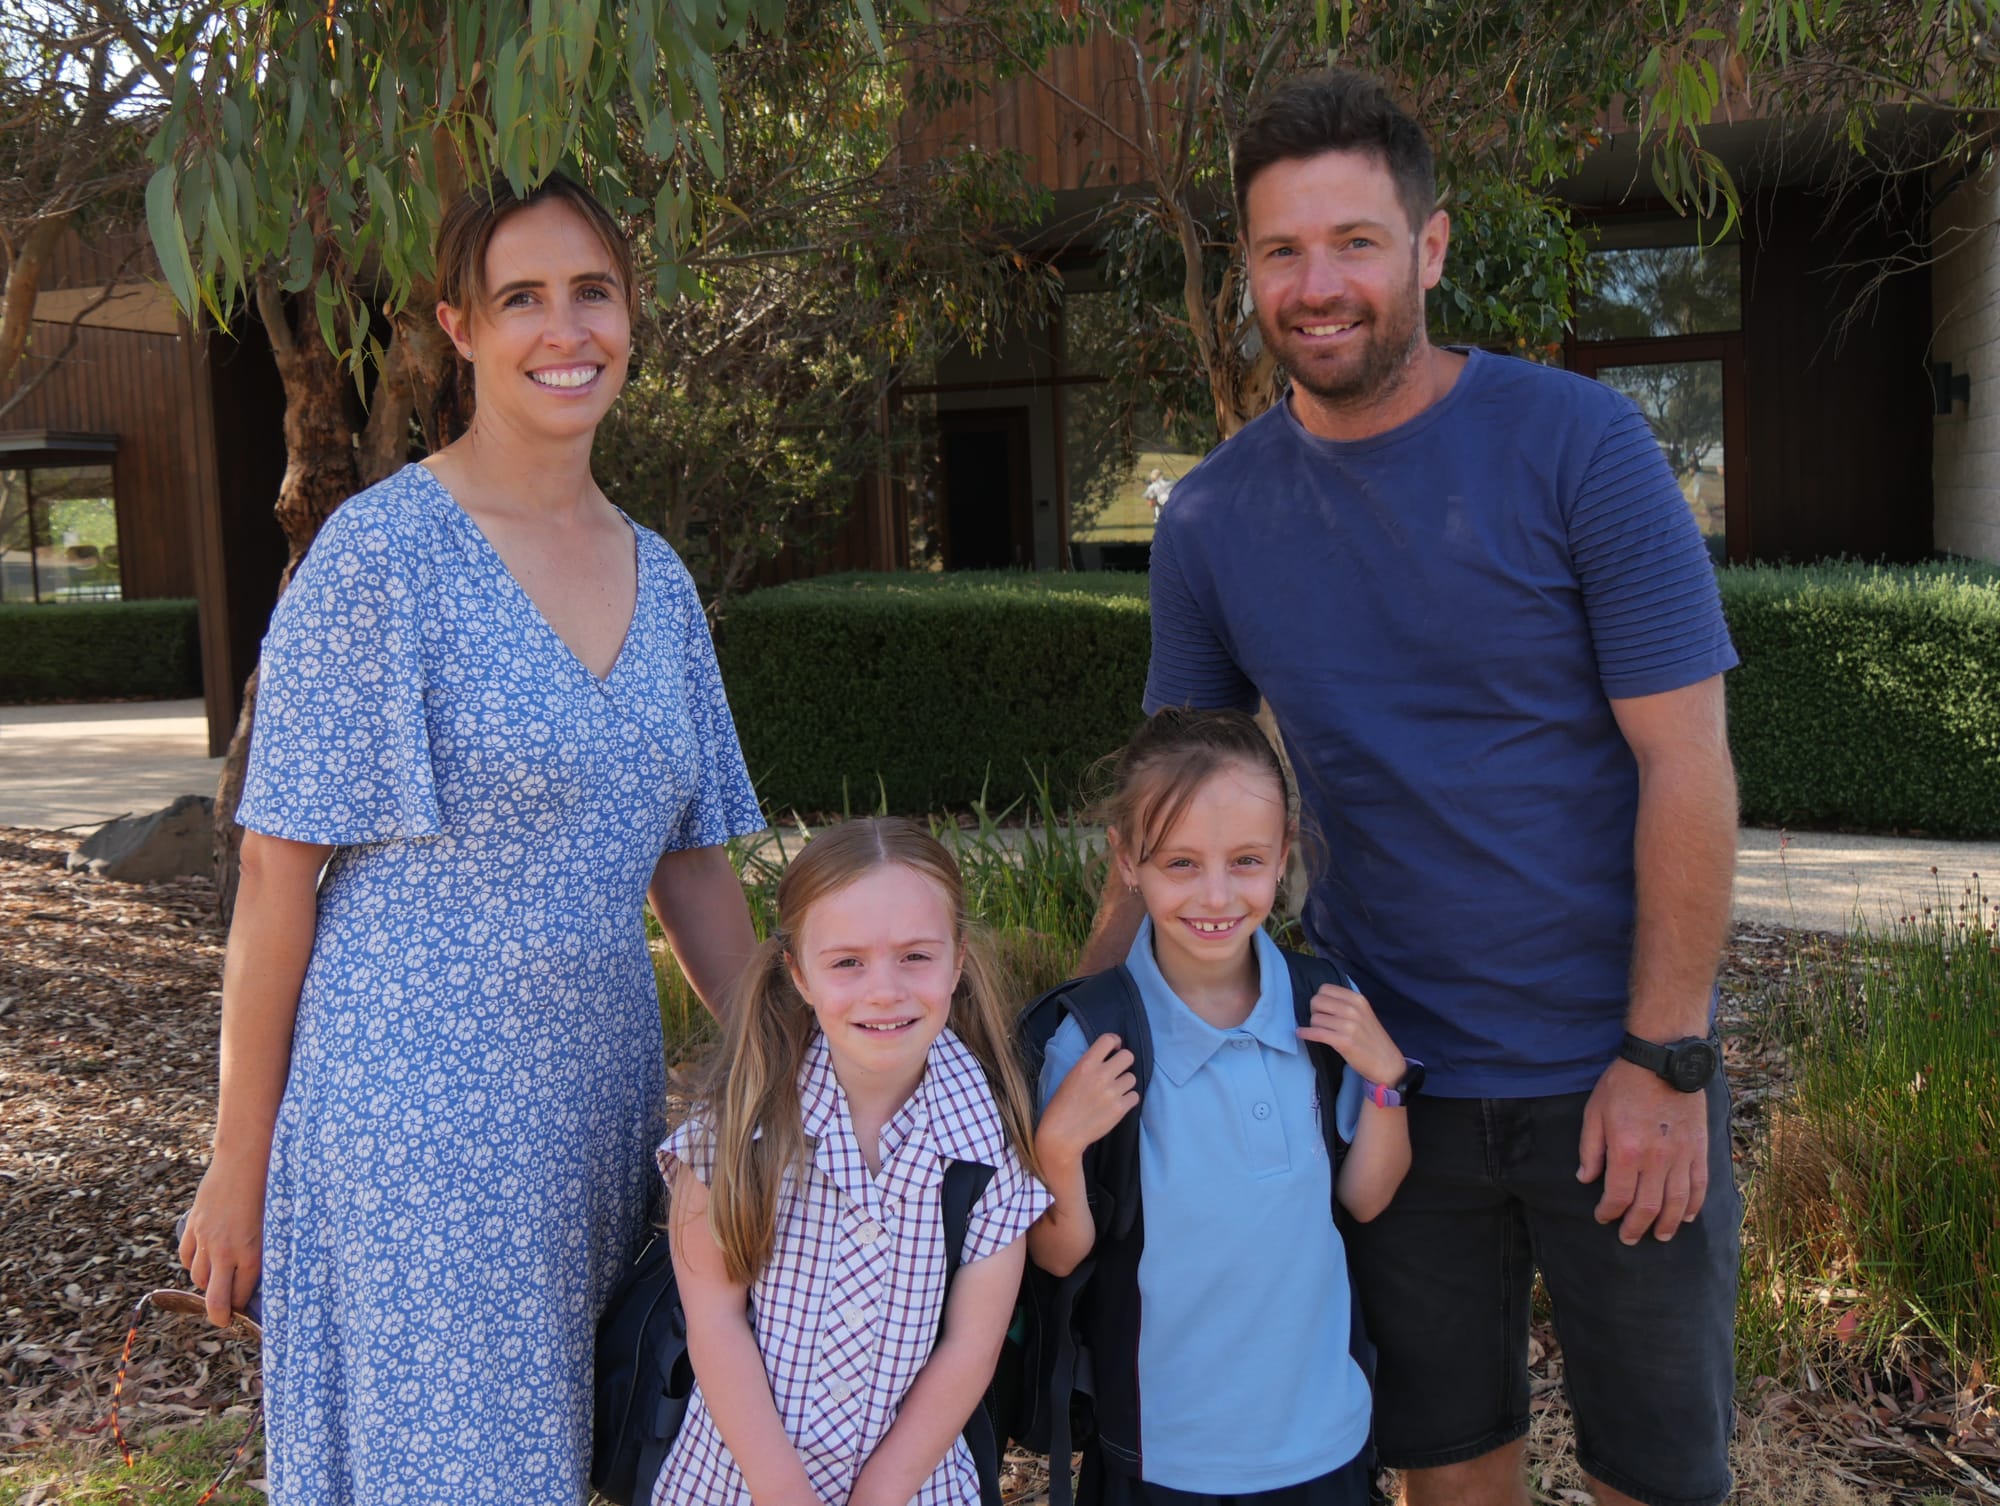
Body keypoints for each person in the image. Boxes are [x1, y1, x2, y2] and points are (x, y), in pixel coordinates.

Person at [1081, 70, 1742, 1506]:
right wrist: (1075, 1033)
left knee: (1660, 1478)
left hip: (1606, 1068)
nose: (1318, 285)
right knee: (1447, 1475)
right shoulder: (1212, 519)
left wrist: (1667, 1057)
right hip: (1381, 1082)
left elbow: (1686, 764)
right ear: (1247, 268)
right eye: (1280, 251)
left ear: (1430, 248)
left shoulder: (1580, 448)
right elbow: (1170, 815)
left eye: (1356, 242)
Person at [177, 173, 766, 1504]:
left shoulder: (659, 579)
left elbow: (695, 865)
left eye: (593, 292)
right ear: (459, 327)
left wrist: (796, 1077)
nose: (566, 329)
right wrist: (237, 1157)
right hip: (419, 1120)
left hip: (601, 1112)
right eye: (522, 298)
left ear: (630, 315)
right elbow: (275, 875)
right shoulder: (380, 557)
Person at [1034, 706, 1414, 1506]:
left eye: (1245, 860)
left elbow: (1367, 1197)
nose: (1215, 895)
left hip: (1322, 1441)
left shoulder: (1326, 1011)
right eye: (1179, 863)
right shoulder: (1091, 1040)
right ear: (1127, 860)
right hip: (1164, 1458)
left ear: (1284, 857)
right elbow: (1060, 1254)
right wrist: (1057, 1152)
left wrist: (1385, 1081)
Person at [652, 817, 1049, 1506]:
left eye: (916, 957)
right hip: (737, 1483)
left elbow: (969, 1350)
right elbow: (714, 1325)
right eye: (847, 962)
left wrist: (879, 1496)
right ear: (798, 973)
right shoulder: (731, 1130)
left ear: (959, 961)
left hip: (913, 1488)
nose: (885, 990)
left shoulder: (992, 1152)